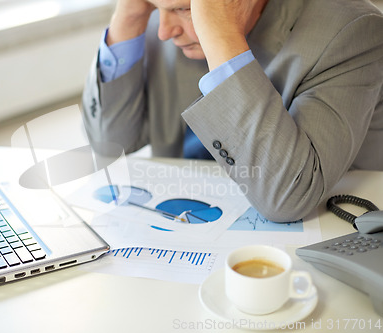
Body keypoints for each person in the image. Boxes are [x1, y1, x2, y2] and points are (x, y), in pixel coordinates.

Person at [82, 0, 383, 222]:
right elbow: (111, 142)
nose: (163, 31)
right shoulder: (157, 16)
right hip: (183, 221)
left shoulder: (352, 31)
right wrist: (129, 15)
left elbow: (286, 200)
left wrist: (221, 36)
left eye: (183, 9)